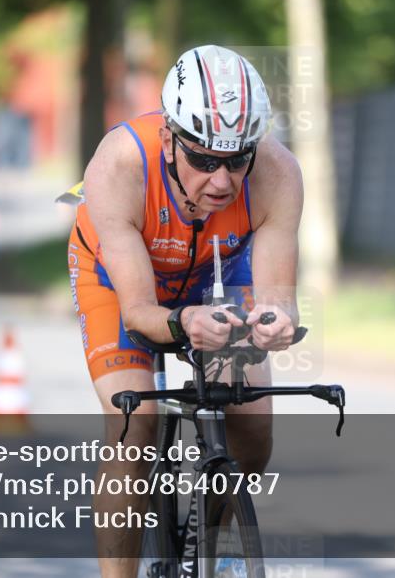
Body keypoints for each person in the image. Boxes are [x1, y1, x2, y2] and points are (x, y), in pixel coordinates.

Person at [69, 45, 303, 578]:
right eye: (203, 159)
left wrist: (276, 323)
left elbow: (276, 298)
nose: (222, 181)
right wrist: (181, 323)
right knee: (135, 426)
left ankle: (218, 548)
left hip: (216, 273)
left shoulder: (278, 173)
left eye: (237, 159)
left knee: (253, 423)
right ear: (170, 140)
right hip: (119, 280)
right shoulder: (120, 164)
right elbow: (139, 314)